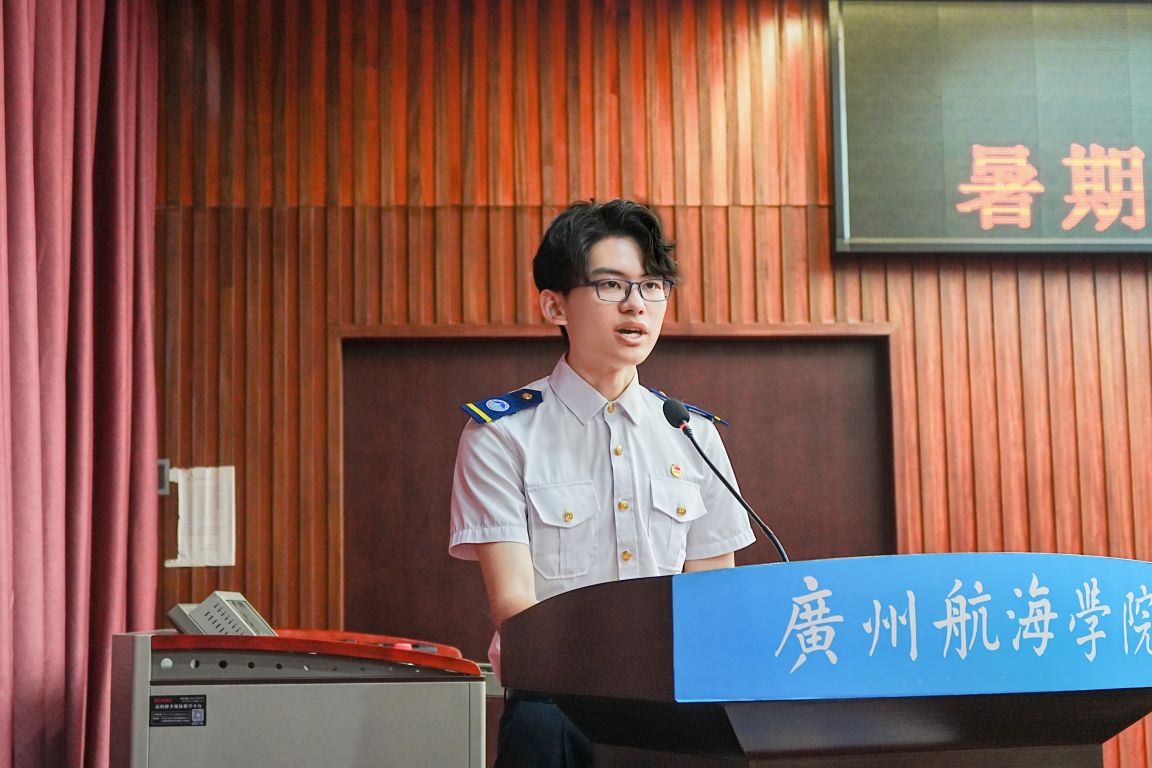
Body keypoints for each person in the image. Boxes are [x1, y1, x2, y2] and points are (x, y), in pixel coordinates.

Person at [448, 199, 755, 767]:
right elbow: (514, 604)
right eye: (611, 285)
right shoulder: (501, 434)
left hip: (674, 697)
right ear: (554, 305)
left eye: (653, 286)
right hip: (558, 701)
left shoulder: (692, 433)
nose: (637, 304)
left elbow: (714, 593)